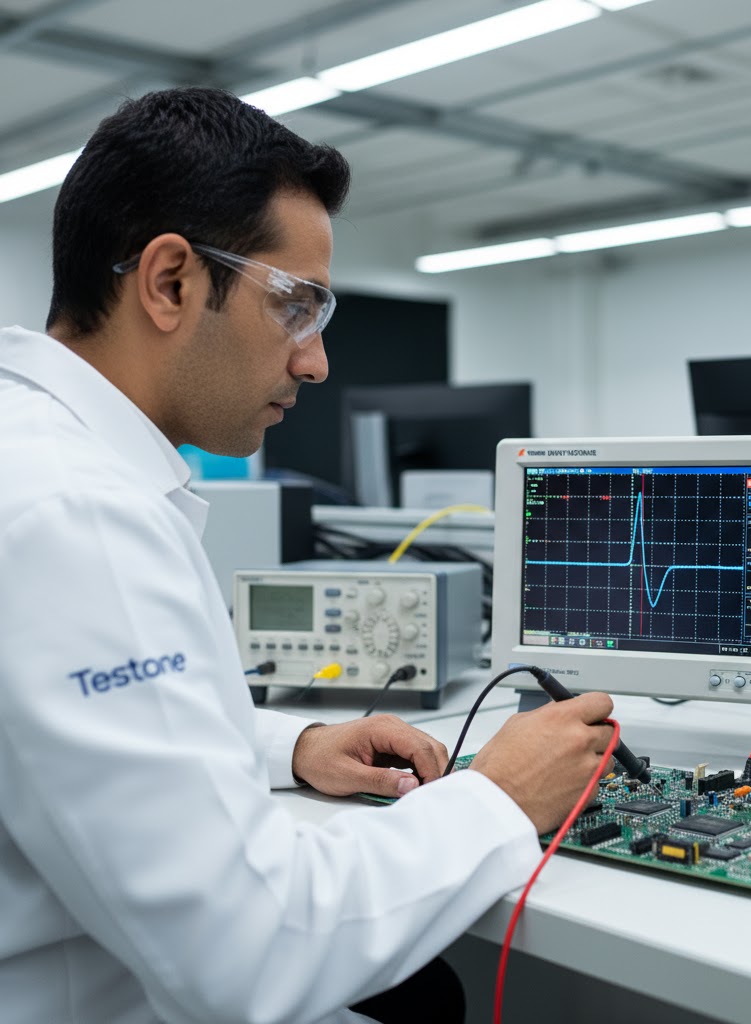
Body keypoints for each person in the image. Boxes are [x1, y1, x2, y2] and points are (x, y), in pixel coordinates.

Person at [0, 87, 614, 1024]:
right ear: (170, 283)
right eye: (295, 305)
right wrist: (497, 797)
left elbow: (71, 738)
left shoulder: (36, 456)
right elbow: (247, 953)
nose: (315, 361)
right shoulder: (76, 515)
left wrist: (294, 745)